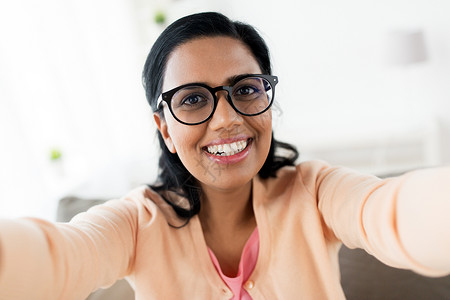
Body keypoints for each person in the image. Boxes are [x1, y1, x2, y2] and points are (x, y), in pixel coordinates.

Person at [0, 11, 449, 300]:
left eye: (246, 90)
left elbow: (391, 214)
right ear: (165, 130)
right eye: (193, 99)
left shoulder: (315, 191)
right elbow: (62, 257)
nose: (226, 120)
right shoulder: (136, 223)